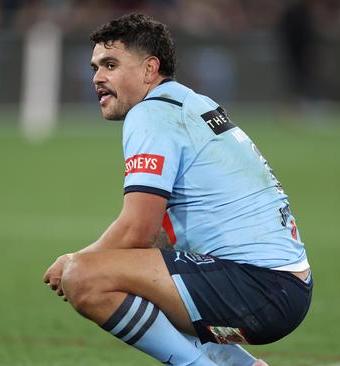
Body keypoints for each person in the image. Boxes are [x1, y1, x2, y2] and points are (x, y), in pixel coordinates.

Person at [43, 13, 312, 366]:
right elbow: (157, 238)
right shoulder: (191, 103)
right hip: (283, 286)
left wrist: (76, 260)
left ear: (149, 69)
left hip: (259, 287)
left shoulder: (152, 113)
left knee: (85, 277)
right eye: (95, 66)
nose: (98, 77)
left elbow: (139, 229)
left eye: (110, 64)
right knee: (128, 270)